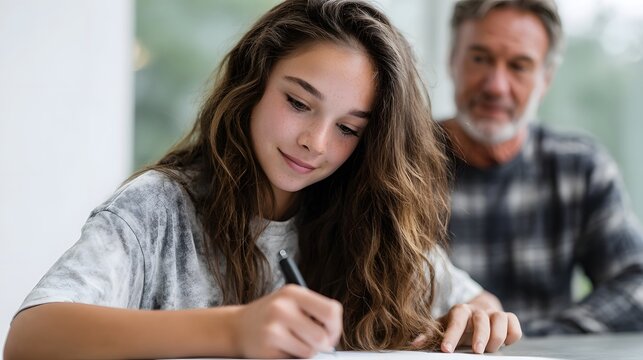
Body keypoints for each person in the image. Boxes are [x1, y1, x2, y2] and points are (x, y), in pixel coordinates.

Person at [4, 1, 522, 359]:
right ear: (253, 83)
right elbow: (31, 337)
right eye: (298, 103)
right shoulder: (160, 207)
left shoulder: (366, 218)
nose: (315, 143)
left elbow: (475, 301)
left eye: (347, 129)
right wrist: (235, 329)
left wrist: (481, 314)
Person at [442, 0, 643, 336]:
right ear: (452, 61)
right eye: (480, 58)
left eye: (519, 66)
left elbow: (636, 286)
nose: (496, 86)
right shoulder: (399, 163)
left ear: (546, 79)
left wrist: (523, 339)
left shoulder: (580, 168)